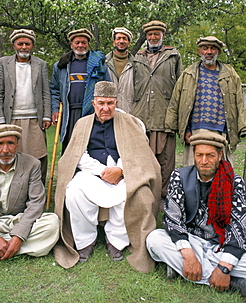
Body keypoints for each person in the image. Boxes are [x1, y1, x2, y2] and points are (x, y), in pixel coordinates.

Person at [54, 81, 161, 273]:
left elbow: (138, 151)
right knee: (73, 192)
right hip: (92, 172)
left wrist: (120, 171)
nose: (105, 108)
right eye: (101, 103)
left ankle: (116, 241)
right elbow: (77, 155)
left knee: (131, 191)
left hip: (123, 172)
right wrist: (102, 171)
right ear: (94, 103)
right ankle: (85, 240)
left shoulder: (129, 122)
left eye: (110, 103)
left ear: (116, 103)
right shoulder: (82, 124)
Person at [146, 132, 246, 298]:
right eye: (199, 155)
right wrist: (189, 255)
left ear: (220, 155)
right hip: (193, 244)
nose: (204, 161)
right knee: (155, 239)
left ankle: (189, 270)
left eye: (210, 155)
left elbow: (239, 228)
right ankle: (232, 283)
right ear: (194, 155)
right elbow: (172, 220)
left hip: (222, 244)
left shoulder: (234, 182)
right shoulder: (180, 177)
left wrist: (224, 266)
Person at [165, 36, 246, 166]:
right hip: (195, 131)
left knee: (219, 170)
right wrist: (184, 130)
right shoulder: (188, 74)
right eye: (205, 48)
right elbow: (176, 102)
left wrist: (240, 128)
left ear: (218, 52)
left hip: (221, 130)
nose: (209, 52)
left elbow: (239, 103)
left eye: (213, 48)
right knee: (193, 170)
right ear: (199, 52)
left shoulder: (230, 74)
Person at [131, 20, 183, 202]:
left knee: (166, 159)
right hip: (141, 116)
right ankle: (143, 194)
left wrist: (176, 115)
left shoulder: (173, 56)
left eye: (156, 34)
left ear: (163, 36)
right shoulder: (137, 57)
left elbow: (180, 87)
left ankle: (163, 196)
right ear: (146, 37)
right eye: (150, 34)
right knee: (143, 157)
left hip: (164, 114)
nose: (153, 37)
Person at [0, 124, 59, 260]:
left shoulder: (31, 164)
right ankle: (15, 248)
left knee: (52, 223)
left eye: (10, 143)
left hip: (19, 219)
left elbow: (36, 203)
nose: (5, 150)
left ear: (17, 144)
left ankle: (10, 247)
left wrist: (19, 235)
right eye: (0, 143)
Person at [0, 29, 51, 184]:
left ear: (32, 45)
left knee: (38, 155)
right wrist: (1, 118)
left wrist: (47, 115)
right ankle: (12, 188)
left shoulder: (40, 64)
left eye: (27, 44)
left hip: (35, 118)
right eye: (20, 43)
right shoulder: (3, 63)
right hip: (11, 118)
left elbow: (45, 92)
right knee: (11, 153)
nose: (23, 47)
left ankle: (37, 187)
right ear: (14, 45)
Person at [50, 28, 111, 153]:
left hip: (92, 112)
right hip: (69, 113)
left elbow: (107, 88)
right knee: (70, 146)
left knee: (91, 145)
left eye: (84, 42)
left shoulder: (98, 65)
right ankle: (68, 172)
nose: (80, 45)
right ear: (71, 44)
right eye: (77, 42)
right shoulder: (61, 65)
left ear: (88, 44)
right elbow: (55, 90)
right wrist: (55, 109)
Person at [106, 27, 134, 113]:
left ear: (129, 43)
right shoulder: (104, 63)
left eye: (124, 39)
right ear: (114, 42)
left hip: (129, 111)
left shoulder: (136, 64)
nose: (121, 41)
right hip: (107, 111)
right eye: (118, 38)